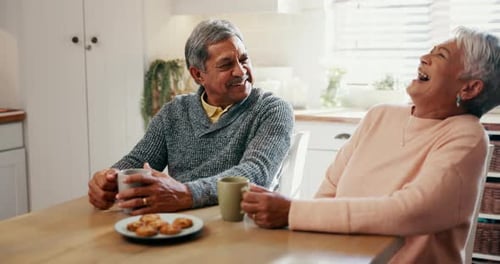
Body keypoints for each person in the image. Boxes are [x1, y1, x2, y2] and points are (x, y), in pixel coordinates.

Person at [241, 26, 500, 263]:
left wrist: (291, 212)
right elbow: (328, 192)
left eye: (440, 56)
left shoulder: (467, 136)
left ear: (469, 88)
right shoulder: (380, 116)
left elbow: (410, 211)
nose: (424, 58)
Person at [88, 19, 294, 215]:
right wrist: (108, 178)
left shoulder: (272, 110)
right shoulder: (174, 112)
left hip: (241, 224)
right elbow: (138, 161)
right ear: (198, 75)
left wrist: (185, 194)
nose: (240, 71)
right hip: (179, 222)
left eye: (244, 59)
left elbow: (255, 173)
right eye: (226, 65)